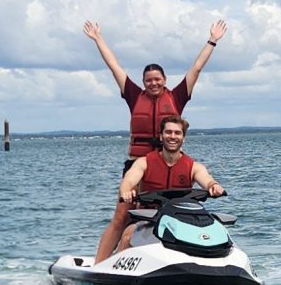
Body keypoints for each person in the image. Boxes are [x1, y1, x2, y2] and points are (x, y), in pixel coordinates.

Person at [85, 16, 226, 264]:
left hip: (166, 163)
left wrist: (212, 40)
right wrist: (98, 39)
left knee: (168, 216)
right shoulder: (133, 95)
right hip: (138, 165)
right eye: (148, 80)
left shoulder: (178, 96)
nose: (153, 83)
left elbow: (196, 68)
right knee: (122, 217)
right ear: (143, 83)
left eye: (157, 79)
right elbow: (114, 66)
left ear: (164, 80)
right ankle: (99, 266)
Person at [110, 116, 226, 250]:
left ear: (183, 138)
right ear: (161, 136)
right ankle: (118, 262)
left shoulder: (194, 167)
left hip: (181, 220)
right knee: (128, 236)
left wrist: (213, 186)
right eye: (168, 132)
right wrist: (126, 191)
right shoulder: (144, 162)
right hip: (148, 218)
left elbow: (206, 179)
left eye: (177, 133)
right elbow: (128, 180)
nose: (172, 136)